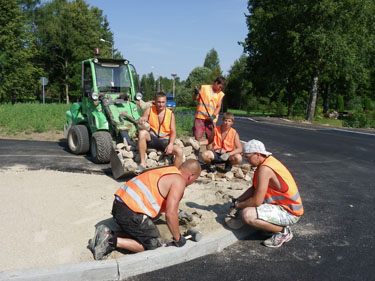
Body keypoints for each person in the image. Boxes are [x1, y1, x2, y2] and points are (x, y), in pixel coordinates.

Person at [89, 159, 201, 260]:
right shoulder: (180, 181)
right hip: (130, 212)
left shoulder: (169, 170)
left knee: (141, 233)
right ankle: (111, 241)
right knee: (155, 244)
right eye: (194, 180)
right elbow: (170, 214)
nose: (192, 182)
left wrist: (178, 212)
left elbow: (158, 196)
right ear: (190, 176)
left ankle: (106, 233)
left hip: (119, 205)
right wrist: (178, 239)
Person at [225, 139, 304, 248]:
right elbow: (254, 188)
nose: (246, 160)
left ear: (257, 154)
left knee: (247, 214)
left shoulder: (265, 169)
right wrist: (238, 200)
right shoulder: (266, 162)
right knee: (246, 206)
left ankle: (283, 231)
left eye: (247, 157)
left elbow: (257, 201)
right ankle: (273, 226)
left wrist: (238, 206)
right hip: (283, 205)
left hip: (290, 212)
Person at [136, 92, 183, 173]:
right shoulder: (149, 110)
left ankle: (175, 172)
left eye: (163, 102)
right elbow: (144, 117)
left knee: (179, 151)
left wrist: (171, 144)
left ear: (165, 102)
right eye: (159, 102)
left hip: (164, 141)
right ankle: (142, 163)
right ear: (155, 101)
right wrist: (143, 118)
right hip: (152, 139)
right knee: (142, 133)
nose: (161, 104)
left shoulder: (170, 114)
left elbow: (173, 132)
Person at [192, 77, 226, 147]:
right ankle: (196, 156)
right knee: (197, 138)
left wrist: (213, 116)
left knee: (210, 139)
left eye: (221, 88)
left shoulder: (220, 94)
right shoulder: (204, 88)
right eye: (220, 87)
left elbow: (218, 107)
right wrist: (196, 93)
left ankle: (208, 156)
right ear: (216, 83)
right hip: (200, 117)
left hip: (211, 119)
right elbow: (194, 99)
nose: (220, 89)